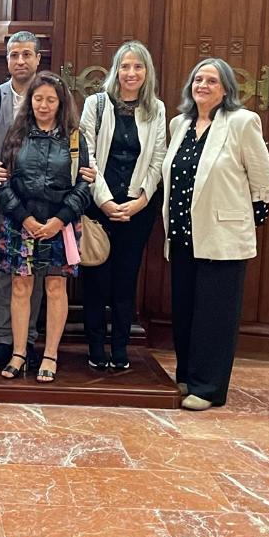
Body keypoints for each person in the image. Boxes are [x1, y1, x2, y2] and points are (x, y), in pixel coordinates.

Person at [162, 58, 269, 411]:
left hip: (222, 237)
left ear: (226, 89)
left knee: (215, 314)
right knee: (185, 310)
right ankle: (187, 375)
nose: (203, 85)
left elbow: (262, 179)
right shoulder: (179, 124)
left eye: (212, 80)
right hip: (182, 235)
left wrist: (245, 219)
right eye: (198, 79)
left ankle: (208, 387)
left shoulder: (241, 122)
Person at [0, 72, 91, 383]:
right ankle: (19, 353)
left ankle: (50, 354)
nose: (44, 105)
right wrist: (25, 218)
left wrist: (58, 220)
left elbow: (84, 185)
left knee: (55, 288)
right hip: (21, 222)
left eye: (51, 99)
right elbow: (3, 182)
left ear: (61, 102)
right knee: (21, 288)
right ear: (29, 101)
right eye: (38, 99)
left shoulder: (75, 138)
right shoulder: (16, 134)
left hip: (60, 225)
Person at [78, 41, 166, 371]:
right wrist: (105, 201)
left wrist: (139, 201)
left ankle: (120, 347)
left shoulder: (156, 109)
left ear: (147, 73)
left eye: (138, 67)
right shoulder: (96, 104)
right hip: (98, 206)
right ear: (116, 70)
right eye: (125, 66)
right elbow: (88, 156)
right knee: (97, 279)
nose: (131, 73)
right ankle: (96, 346)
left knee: (126, 280)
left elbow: (158, 159)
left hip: (137, 209)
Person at [0, 31, 46, 369]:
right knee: (2, 275)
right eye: (13, 55)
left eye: (26, 54)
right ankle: (4, 339)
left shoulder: (49, 97)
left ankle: (28, 340)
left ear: (38, 58)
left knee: (31, 277)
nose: (20, 61)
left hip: (37, 208)